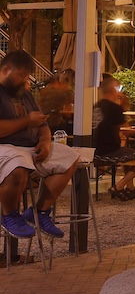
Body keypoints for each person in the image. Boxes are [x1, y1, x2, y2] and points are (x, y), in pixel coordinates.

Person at [0, 50, 80, 239]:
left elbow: (42, 123)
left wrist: (45, 141)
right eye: (21, 75)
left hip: (31, 147)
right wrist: (27, 121)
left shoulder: (24, 94)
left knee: (70, 158)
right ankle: (9, 214)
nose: (24, 80)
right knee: (17, 165)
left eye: (26, 76)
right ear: (6, 69)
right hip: (6, 147)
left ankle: (40, 211)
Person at [94, 78, 135, 200]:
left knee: (129, 153)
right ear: (113, 90)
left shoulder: (96, 106)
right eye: (119, 89)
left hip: (94, 150)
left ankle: (130, 188)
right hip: (110, 151)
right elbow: (127, 131)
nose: (120, 92)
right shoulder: (114, 108)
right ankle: (119, 186)